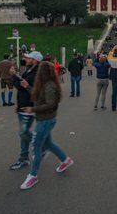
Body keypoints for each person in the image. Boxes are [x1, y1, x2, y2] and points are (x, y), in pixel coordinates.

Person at [20, 61, 74, 190]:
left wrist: (32, 110)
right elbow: (39, 98)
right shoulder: (47, 84)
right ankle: (65, 160)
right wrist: (27, 87)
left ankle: (33, 176)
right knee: (49, 143)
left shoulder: (49, 86)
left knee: (37, 147)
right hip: (45, 120)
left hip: (45, 120)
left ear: (42, 72)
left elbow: (50, 104)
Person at [9, 50, 42, 170]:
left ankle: (41, 145)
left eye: (28, 58)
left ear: (35, 60)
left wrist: (13, 75)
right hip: (23, 106)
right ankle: (23, 158)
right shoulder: (29, 70)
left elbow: (24, 87)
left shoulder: (36, 73)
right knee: (23, 135)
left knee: (23, 133)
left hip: (29, 106)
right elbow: (21, 86)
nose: (26, 60)